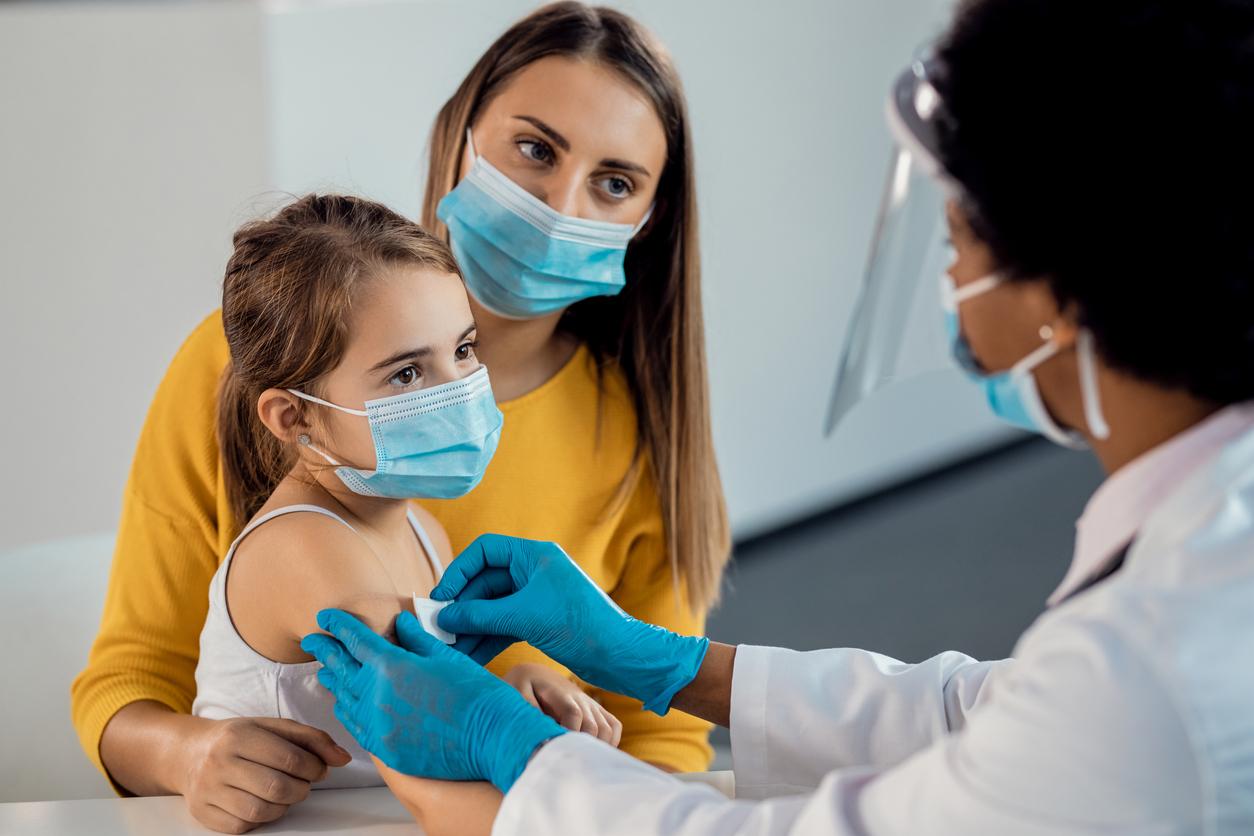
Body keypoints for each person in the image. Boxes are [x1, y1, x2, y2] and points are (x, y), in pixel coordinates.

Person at [303, 0, 1254, 832]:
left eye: (960, 240)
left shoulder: (1152, 674)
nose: (954, 280)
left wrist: (504, 747)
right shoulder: (1199, 562)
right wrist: (668, 662)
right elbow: (980, 709)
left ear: (1065, 291)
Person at [71, 3, 728, 832]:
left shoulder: (634, 439)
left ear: (649, 219)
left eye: (614, 182)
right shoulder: (240, 365)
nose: (562, 206)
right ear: (460, 138)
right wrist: (187, 753)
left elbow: (657, 737)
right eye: (535, 149)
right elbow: (130, 680)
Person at [183, 194, 621, 829]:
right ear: (295, 417)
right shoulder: (304, 548)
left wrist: (516, 685)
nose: (461, 391)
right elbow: (433, 760)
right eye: (408, 374)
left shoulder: (422, 527)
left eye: (464, 350)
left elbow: (451, 708)